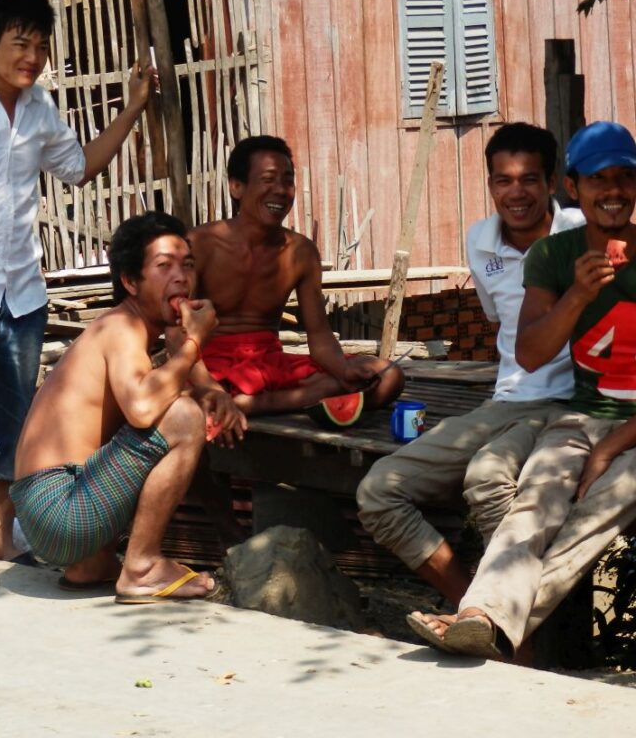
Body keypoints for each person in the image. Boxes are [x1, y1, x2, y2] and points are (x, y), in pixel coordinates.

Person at [0, 0, 157, 561]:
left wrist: (132, 109)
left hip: (23, 291)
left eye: (41, 47)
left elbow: (79, 168)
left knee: (14, 417)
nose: (32, 57)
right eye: (20, 43)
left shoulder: (41, 109)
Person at [409, 121, 636, 659]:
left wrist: (610, 447)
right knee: (534, 503)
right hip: (579, 416)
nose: (613, 190)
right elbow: (531, 352)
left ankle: (486, 620)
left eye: (625, 177)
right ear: (574, 189)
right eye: (598, 179)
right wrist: (577, 296)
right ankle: (486, 618)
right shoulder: (554, 258)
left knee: (593, 513)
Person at [356, 123, 582, 605]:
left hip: (571, 405)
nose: (515, 193)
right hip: (505, 402)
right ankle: (474, 607)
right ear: (490, 184)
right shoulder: (480, 240)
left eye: (528, 179)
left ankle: (514, 628)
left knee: (487, 478)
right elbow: (498, 318)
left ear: (551, 182)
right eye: (503, 180)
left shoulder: (584, 236)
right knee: (377, 492)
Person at [11, 211, 243, 599]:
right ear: (130, 282)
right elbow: (141, 407)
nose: (181, 277)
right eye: (163, 266)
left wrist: (213, 391)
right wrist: (195, 343)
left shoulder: (136, 328)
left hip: (47, 514)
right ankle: (141, 566)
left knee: (182, 403)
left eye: (187, 265)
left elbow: (179, 373)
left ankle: (92, 566)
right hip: (60, 509)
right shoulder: (122, 327)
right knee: (183, 416)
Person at [191, 134, 405, 414]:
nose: (280, 190)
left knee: (387, 375)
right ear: (236, 187)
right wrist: (204, 384)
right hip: (211, 367)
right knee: (186, 393)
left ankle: (252, 405)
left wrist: (342, 370)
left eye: (287, 180)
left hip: (270, 362)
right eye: (268, 180)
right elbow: (178, 331)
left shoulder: (301, 251)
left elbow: (319, 334)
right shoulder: (199, 244)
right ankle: (308, 397)